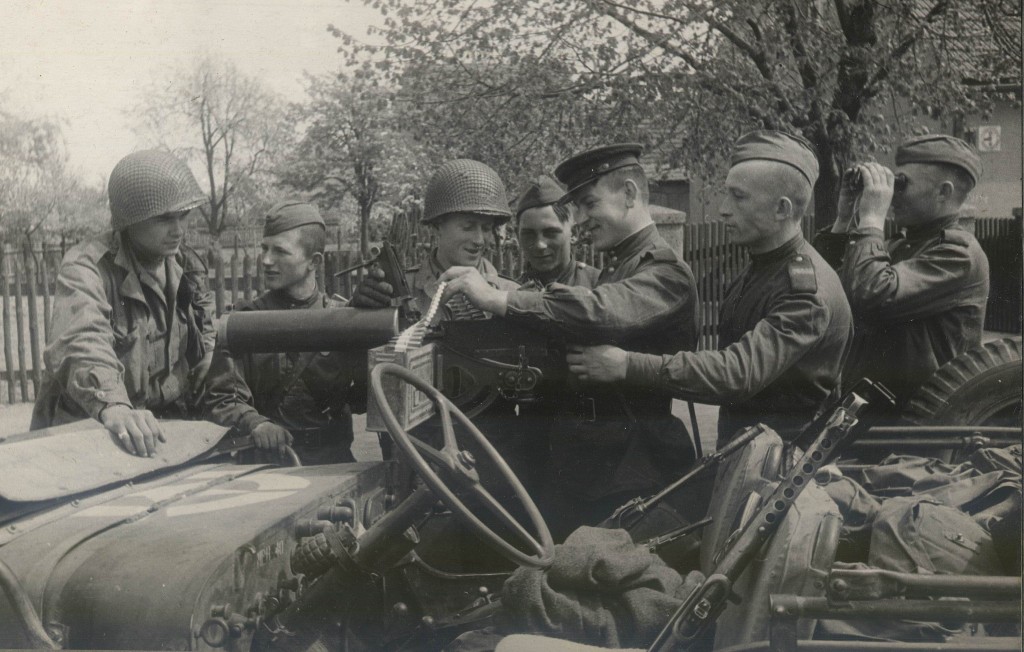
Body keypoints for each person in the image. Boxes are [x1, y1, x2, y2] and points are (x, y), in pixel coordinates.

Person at [440, 144, 700, 539]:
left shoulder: (664, 271)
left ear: (629, 195)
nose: (582, 218)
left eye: (588, 203)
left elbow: (599, 310)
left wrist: (499, 299)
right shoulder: (623, 263)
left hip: (634, 469)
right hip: (590, 465)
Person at [565, 131, 854, 446]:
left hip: (788, 471)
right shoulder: (760, 269)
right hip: (752, 462)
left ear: (782, 209)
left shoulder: (805, 291)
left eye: (738, 197)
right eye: (726, 194)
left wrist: (626, 364)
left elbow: (737, 373)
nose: (723, 209)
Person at [31, 149, 215, 457]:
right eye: (164, 219)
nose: (179, 230)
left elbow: (204, 325)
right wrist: (114, 405)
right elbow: (81, 340)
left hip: (162, 435)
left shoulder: (186, 264)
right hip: (91, 435)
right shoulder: (87, 266)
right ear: (130, 219)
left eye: (184, 215)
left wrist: (210, 355)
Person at [813, 134, 990, 409]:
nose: (892, 193)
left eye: (902, 184)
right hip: (871, 413)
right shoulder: (899, 244)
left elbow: (871, 295)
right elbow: (823, 290)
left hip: (919, 423)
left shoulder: (959, 254)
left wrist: (871, 219)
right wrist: (845, 217)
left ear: (943, 192)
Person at [203, 200, 362, 464]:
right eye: (264, 248)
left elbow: (365, 398)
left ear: (314, 262)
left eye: (280, 251)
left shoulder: (341, 320)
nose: (266, 260)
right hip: (267, 465)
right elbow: (221, 399)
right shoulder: (245, 323)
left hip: (333, 463)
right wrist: (255, 423)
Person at [350, 158, 519, 315]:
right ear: (437, 227)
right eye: (468, 227)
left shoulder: (513, 295)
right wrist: (357, 311)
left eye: (487, 228)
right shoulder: (399, 292)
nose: (479, 240)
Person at [514, 173, 599, 289]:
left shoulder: (599, 287)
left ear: (574, 233)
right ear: (517, 236)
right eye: (529, 234)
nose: (540, 245)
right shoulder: (510, 293)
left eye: (550, 233)